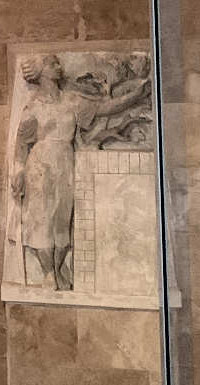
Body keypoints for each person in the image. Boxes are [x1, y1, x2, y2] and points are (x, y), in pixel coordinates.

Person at [11, 54, 150, 290]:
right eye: (53, 64)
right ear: (40, 71)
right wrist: (19, 170)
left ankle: (57, 268)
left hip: (65, 162)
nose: (59, 67)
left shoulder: (71, 101)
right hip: (40, 165)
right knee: (41, 218)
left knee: (62, 219)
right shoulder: (33, 107)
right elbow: (21, 145)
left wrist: (136, 96)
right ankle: (48, 273)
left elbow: (105, 108)